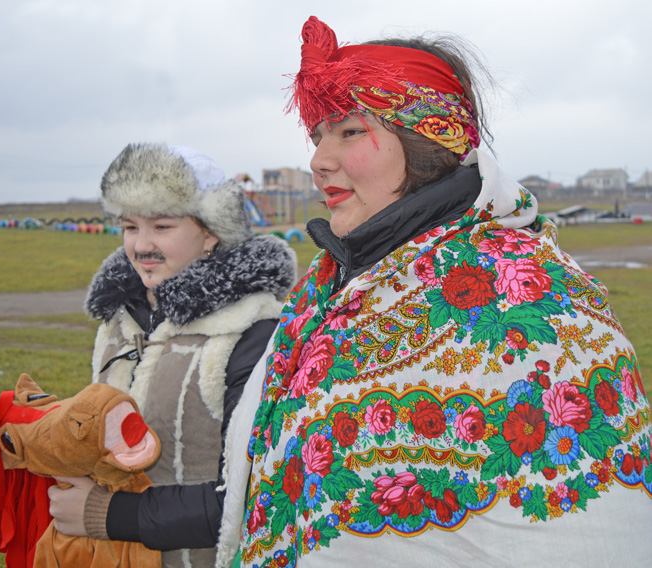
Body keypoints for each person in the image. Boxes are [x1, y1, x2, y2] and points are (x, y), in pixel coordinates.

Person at [215, 16, 652, 567]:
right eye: (318, 134)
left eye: (350, 131)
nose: (319, 159)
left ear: (426, 143)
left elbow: (593, 538)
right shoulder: (325, 284)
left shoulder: (535, 296)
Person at [47, 143, 297, 568]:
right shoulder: (118, 321)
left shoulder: (252, 332)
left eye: (162, 226)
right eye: (130, 226)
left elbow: (254, 489)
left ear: (210, 232)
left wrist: (108, 514)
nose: (142, 244)